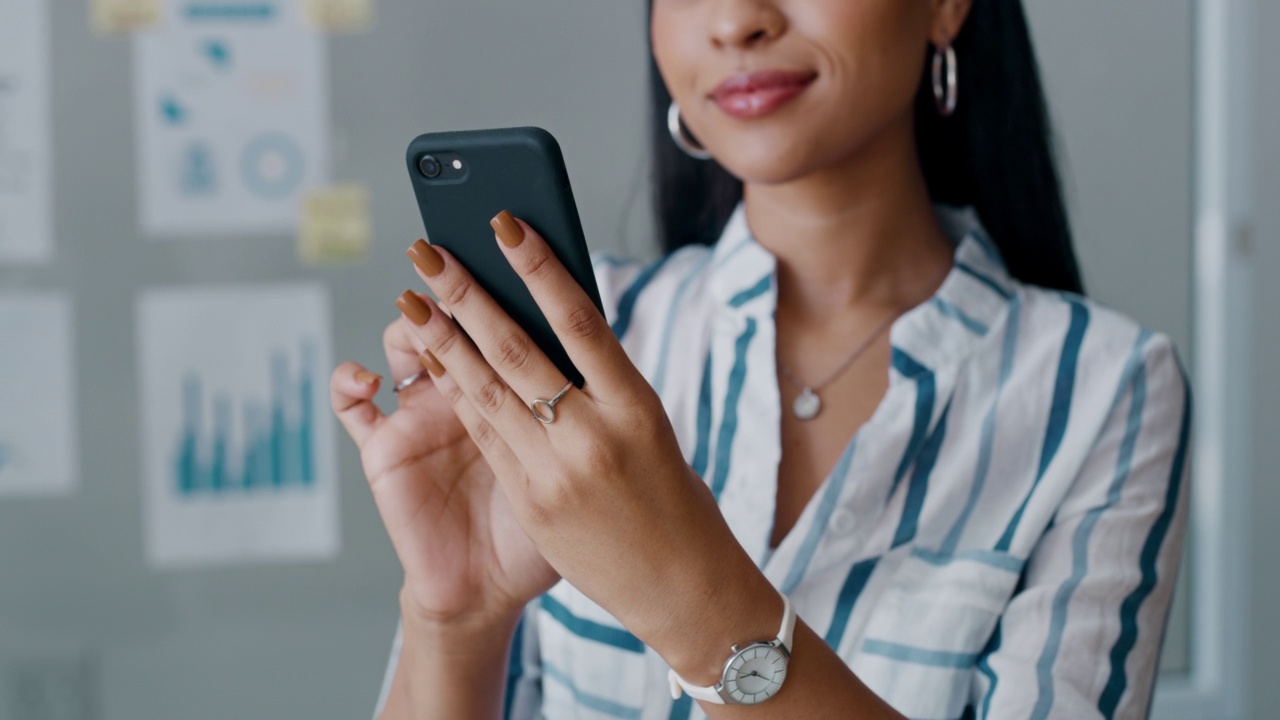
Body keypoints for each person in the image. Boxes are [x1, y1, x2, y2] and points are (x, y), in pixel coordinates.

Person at [330, 1, 1190, 717]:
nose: (737, 20)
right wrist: (457, 618)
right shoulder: (573, 350)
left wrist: (693, 600)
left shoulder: (1105, 387)